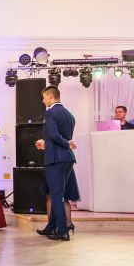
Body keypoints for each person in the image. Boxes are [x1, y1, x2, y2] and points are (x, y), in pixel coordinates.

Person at [34, 85, 77, 241]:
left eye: (44, 97)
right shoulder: (69, 114)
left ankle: (62, 231)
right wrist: (63, 144)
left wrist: (66, 144)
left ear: (51, 97)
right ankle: (51, 227)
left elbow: (53, 135)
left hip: (56, 159)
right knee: (57, 194)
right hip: (67, 158)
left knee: (56, 196)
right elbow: (60, 136)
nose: (43, 100)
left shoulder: (50, 112)